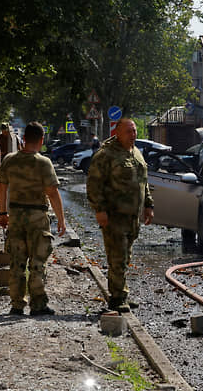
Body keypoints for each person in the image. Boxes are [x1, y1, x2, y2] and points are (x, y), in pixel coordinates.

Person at [0, 121, 66, 316]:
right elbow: (52, 192)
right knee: (37, 262)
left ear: (23, 139)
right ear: (42, 140)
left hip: (16, 217)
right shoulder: (43, 163)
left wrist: (3, 213)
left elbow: (2, 187)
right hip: (37, 218)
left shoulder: (9, 160)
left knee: (17, 262)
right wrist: (61, 219)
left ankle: (17, 305)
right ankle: (38, 304)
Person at [86, 118, 154, 312]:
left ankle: (121, 292)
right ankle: (116, 298)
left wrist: (148, 204)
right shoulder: (106, 155)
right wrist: (99, 210)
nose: (133, 135)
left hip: (132, 216)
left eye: (134, 131)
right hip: (114, 215)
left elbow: (143, 181)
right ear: (117, 133)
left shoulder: (136, 152)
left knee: (125, 256)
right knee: (117, 256)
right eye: (128, 132)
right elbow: (93, 184)